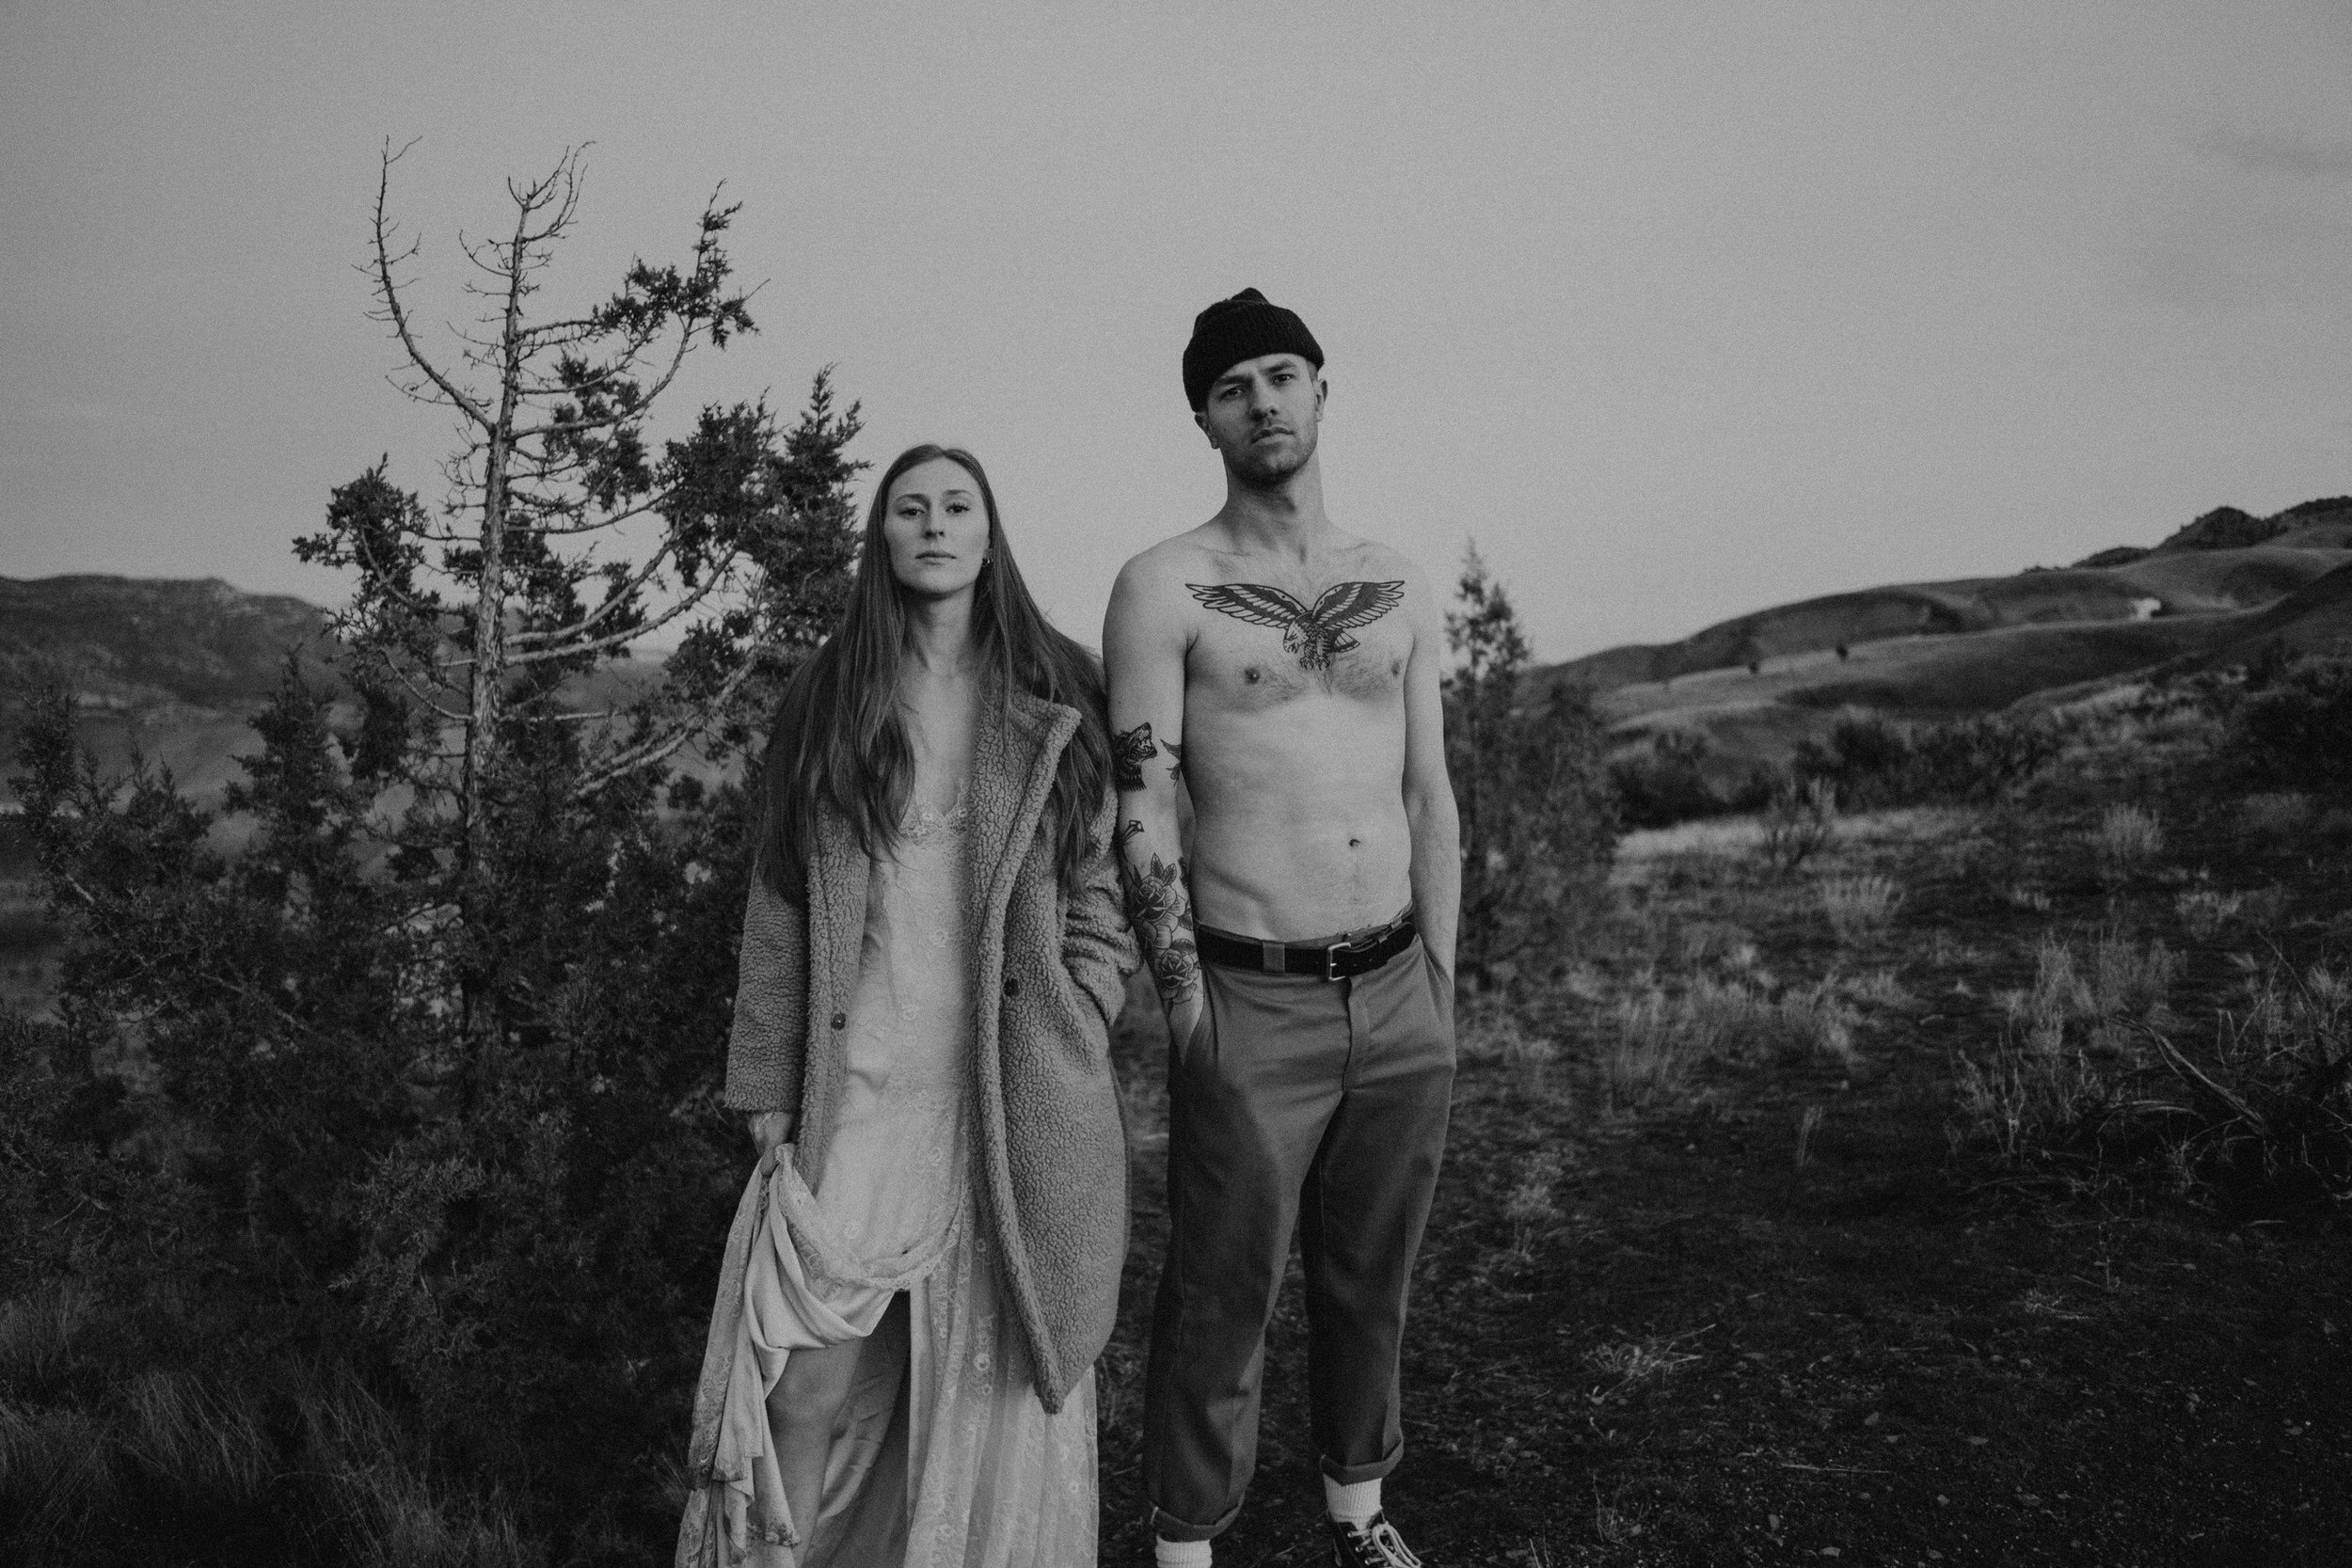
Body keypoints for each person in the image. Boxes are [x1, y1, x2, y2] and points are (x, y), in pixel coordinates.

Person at [678, 444, 1137, 1568]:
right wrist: (766, 1086)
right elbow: (780, 898)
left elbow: (1100, 886)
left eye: (957, 506)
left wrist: (1084, 1001)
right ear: (880, 536)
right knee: (800, 1383)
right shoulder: (832, 694)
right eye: (909, 508)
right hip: (864, 1091)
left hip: (1010, 1084)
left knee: (985, 1389)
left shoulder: (1057, 689)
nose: (934, 524)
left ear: (990, 533)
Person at [1104, 290, 1460, 1568]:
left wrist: (1440, 981)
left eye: (1281, 374)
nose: (1262, 399)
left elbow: (1429, 789)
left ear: (1322, 389)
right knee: (1222, 1287)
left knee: (1373, 1272)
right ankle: (1188, 1541)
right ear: (1202, 416)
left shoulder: (1403, 579)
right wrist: (1189, 1007)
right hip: (1251, 991)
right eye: (1232, 385)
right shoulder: (1165, 585)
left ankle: (1358, 1511)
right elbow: (1138, 803)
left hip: (1395, 982)